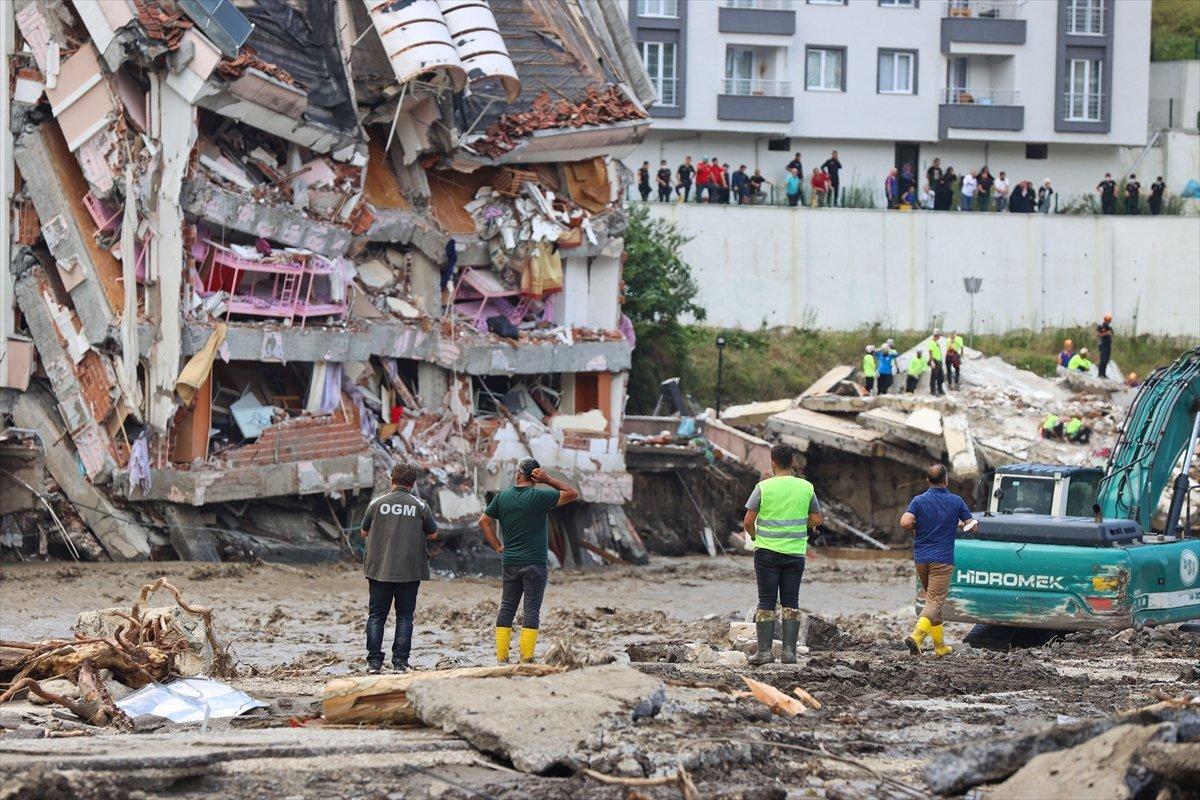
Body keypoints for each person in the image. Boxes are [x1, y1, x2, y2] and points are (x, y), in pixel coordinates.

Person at [478, 457, 580, 664]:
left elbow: (484, 521)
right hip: (536, 563)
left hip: (511, 562)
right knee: (531, 609)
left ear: (518, 474)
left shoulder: (502, 497)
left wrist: (497, 546)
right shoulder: (539, 496)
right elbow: (573, 494)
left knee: (507, 607)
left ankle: (502, 659)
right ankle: (526, 659)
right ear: (536, 475)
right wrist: (548, 479)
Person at [742, 443, 822, 666]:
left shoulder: (763, 488)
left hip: (767, 552)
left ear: (773, 463)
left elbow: (748, 521)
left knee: (766, 603)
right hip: (795, 553)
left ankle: (765, 653)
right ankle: (789, 653)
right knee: (791, 603)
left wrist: (756, 537)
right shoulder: (806, 488)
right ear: (793, 463)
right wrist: (798, 527)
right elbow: (817, 519)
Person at [360, 463, 439, 673]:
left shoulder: (376, 504)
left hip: (379, 569)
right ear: (413, 484)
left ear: (391, 480)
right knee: (405, 616)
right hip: (409, 571)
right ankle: (400, 663)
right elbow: (432, 533)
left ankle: (373, 663)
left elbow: (364, 532)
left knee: (376, 615)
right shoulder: (420, 506)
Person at [899, 464, 976, 657]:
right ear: (946, 480)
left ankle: (940, 647)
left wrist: (919, 523)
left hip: (921, 558)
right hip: (942, 559)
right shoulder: (956, 501)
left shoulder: (918, 501)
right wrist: (968, 525)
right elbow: (971, 525)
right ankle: (916, 637)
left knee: (933, 601)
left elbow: (905, 522)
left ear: (927, 481)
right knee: (933, 601)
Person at [1096, 314, 1113, 378]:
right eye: (1108, 320)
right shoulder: (1101, 326)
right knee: (1103, 359)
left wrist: (1110, 334)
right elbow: (1098, 334)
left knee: (1106, 359)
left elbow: (1111, 334)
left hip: (1108, 345)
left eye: (1109, 320)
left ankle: (1104, 373)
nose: (1108, 321)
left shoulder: (1109, 328)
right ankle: (1100, 373)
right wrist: (1106, 333)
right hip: (1103, 345)